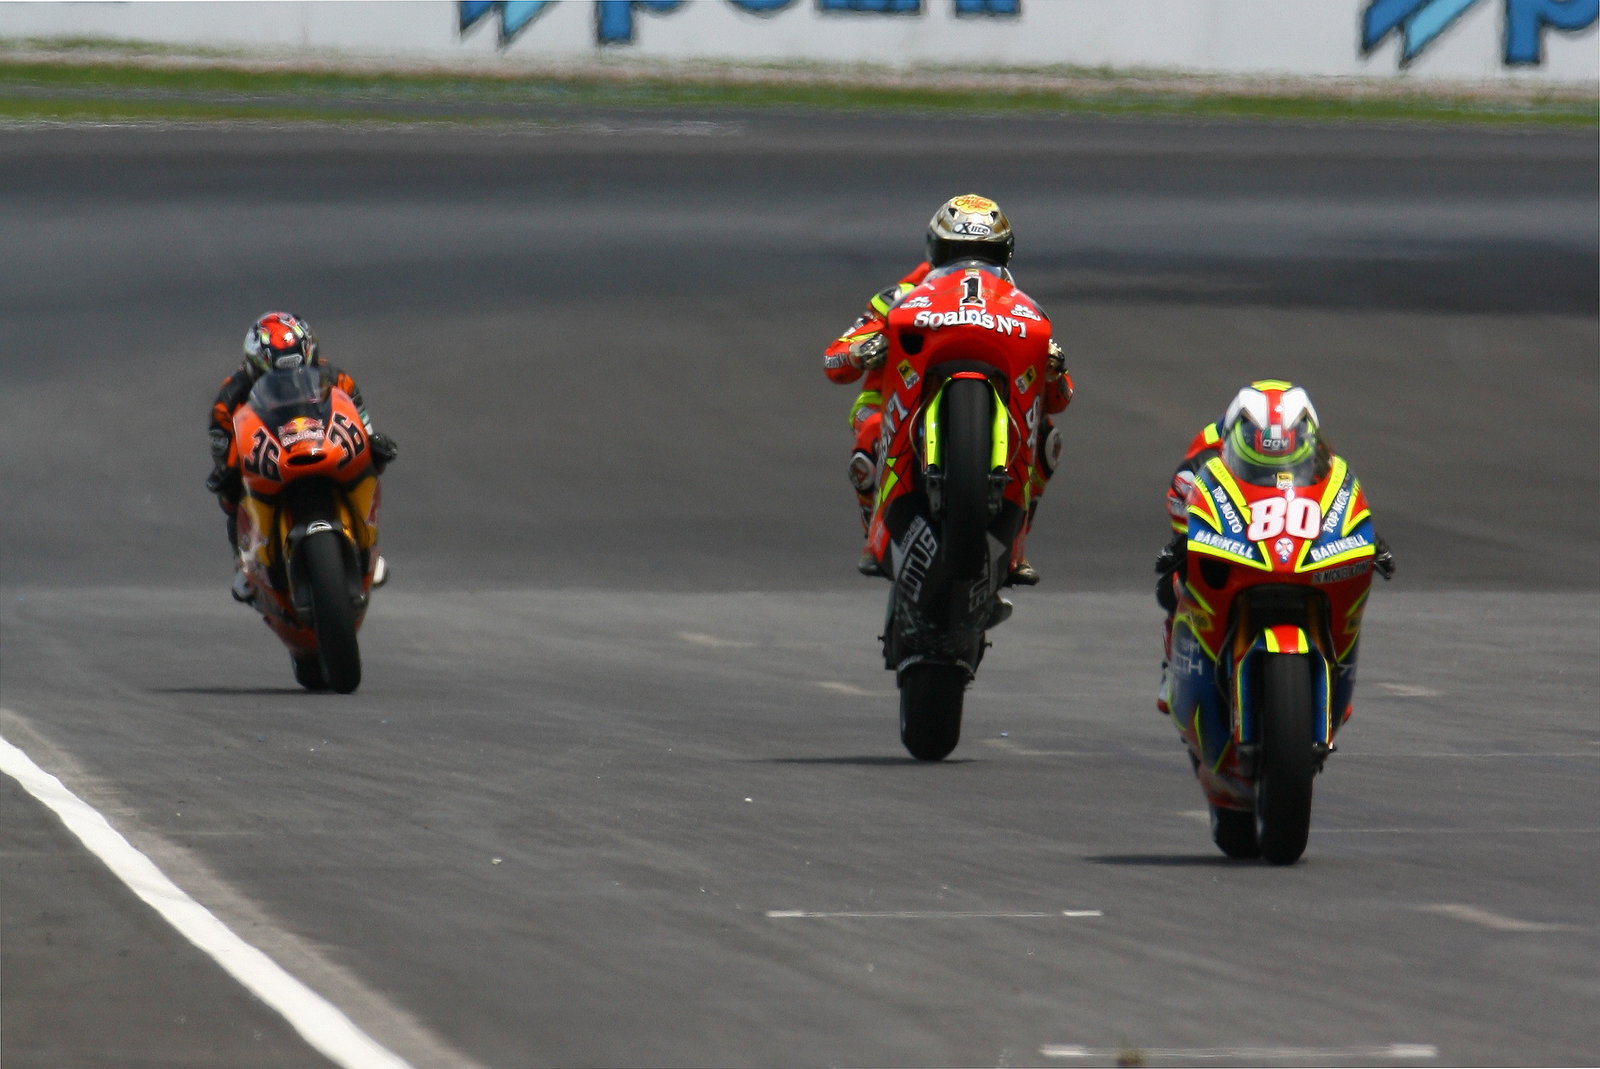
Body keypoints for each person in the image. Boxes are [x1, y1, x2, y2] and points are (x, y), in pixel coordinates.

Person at [823, 193, 1074, 581]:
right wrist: (861, 350)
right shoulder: (898, 298)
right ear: (936, 251)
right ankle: (874, 534)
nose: (971, 267)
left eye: (986, 256)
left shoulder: (1023, 308)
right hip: (891, 403)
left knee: (1048, 439)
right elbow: (834, 360)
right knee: (870, 430)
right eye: (956, 253)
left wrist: (1054, 369)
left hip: (992, 412)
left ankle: (1016, 540)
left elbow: (1058, 399)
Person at [1153, 380, 1393, 712]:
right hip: (1235, 522)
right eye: (1262, 444)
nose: (1275, 451)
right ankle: (1172, 666)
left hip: (1287, 526)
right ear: (1240, 433)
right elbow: (1181, 511)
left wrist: (1365, 538)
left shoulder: (1318, 455)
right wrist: (1184, 542)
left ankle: (1333, 673)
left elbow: (1335, 500)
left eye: (1286, 443)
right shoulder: (1201, 458)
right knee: (1173, 586)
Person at [206, 311, 397, 602]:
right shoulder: (229, 398)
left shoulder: (337, 378)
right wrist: (227, 471)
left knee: (368, 462)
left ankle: (368, 544)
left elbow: (359, 418)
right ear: (254, 368)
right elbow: (222, 445)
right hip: (268, 450)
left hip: (321, 442)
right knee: (230, 497)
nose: (288, 380)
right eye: (275, 375)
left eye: (298, 369)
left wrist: (372, 441)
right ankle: (244, 563)